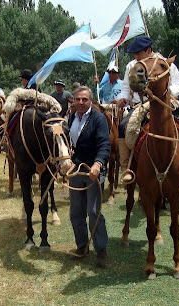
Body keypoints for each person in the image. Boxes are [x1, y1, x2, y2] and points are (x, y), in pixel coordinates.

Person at [116, 36, 179, 184]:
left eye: (138, 53)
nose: (135, 57)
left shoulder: (164, 63)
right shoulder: (132, 66)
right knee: (123, 126)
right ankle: (126, 168)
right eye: (134, 54)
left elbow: (178, 83)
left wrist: (166, 93)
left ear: (148, 50)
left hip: (165, 102)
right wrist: (122, 98)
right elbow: (125, 87)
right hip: (140, 105)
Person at [68, 86, 110, 268]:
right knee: (76, 211)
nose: (80, 102)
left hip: (93, 172)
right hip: (75, 171)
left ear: (90, 101)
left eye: (84, 99)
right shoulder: (70, 118)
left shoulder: (99, 119)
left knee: (93, 212)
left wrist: (97, 163)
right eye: (77, 99)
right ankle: (82, 246)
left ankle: (101, 249)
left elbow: (104, 144)